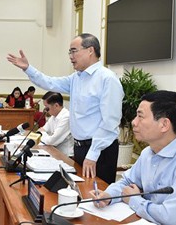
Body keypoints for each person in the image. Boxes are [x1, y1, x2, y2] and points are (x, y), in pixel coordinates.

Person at [7, 33, 123, 184]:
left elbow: (110, 123)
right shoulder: (76, 78)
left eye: (74, 51)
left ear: (90, 50)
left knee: (98, 195)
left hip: (100, 150)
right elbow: (50, 83)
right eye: (70, 52)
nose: (70, 56)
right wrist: (28, 69)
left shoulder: (107, 79)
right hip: (80, 148)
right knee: (80, 191)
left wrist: (93, 154)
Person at [91, 90, 176, 225]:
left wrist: (133, 199)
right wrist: (108, 196)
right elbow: (126, 182)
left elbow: (171, 217)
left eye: (141, 116)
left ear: (164, 125)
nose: (134, 122)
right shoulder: (148, 153)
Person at [38, 91, 73, 156]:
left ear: (56, 105)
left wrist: (42, 133)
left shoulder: (67, 117)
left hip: (65, 156)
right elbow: (42, 130)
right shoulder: (54, 116)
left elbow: (51, 141)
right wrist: (43, 133)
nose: (45, 110)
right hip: (53, 151)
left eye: (47, 107)